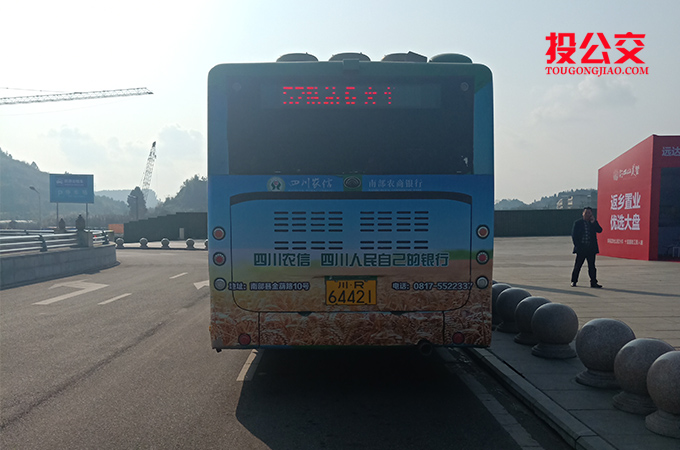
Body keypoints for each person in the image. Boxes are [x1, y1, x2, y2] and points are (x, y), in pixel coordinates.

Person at [571, 207, 603, 288]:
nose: (587, 215)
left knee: (592, 266)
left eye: (589, 213)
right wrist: (578, 246)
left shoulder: (593, 222)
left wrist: (594, 222)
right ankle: (574, 281)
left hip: (591, 249)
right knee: (578, 266)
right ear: (582, 213)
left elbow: (599, 230)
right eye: (586, 213)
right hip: (581, 248)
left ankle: (593, 282)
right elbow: (574, 236)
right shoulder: (578, 223)